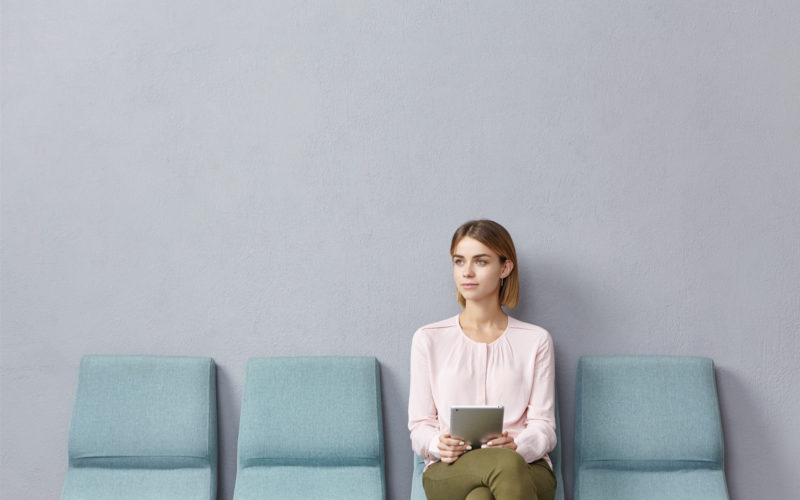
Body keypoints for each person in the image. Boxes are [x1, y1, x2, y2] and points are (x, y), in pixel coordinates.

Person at [408, 219, 557, 500]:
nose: (467, 272)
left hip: (526, 466)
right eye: (459, 261)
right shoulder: (428, 339)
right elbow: (420, 424)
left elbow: (544, 426)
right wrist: (438, 445)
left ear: (505, 268)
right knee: (502, 468)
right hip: (450, 468)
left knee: (484, 493)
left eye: (481, 261)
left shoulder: (536, 340)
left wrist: (517, 446)